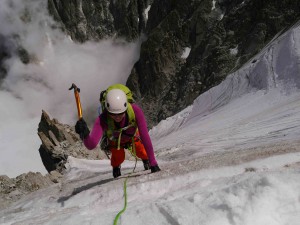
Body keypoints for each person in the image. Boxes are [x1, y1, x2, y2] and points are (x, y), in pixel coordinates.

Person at [75, 86, 161, 178]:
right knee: (118, 158)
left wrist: (153, 163)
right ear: (107, 110)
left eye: (120, 114)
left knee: (142, 152)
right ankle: (116, 166)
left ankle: (146, 160)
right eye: (113, 114)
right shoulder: (103, 118)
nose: (117, 117)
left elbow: (145, 137)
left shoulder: (135, 111)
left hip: (132, 137)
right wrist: (84, 134)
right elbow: (91, 144)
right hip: (116, 141)